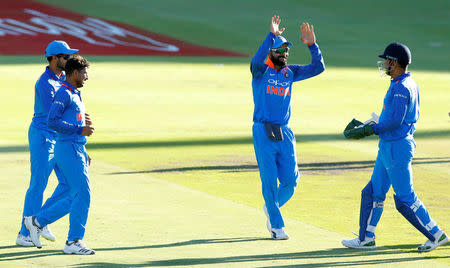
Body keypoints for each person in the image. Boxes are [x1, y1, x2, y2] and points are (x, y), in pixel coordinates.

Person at [342, 43, 448, 252]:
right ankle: (366, 238)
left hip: (397, 147)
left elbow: (396, 121)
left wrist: (371, 129)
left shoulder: (401, 88)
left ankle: (436, 235)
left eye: (387, 61)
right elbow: (391, 118)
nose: (385, 64)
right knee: (373, 192)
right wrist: (373, 125)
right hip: (389, 146)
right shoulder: (404, 82)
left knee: (405, 198)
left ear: (395, 62)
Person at [251, 15, 325, 239]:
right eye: (279, 50)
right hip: (263, 130)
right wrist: (270, 36)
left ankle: (271, 207)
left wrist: (312, 45)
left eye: (286, 50)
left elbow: (318, 68)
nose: (284, 53)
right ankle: (277, 226)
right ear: (270, 52)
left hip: (284, 131)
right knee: (269, 180)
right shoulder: (260, 72)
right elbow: (255, 62)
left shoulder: (289, 72)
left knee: (291, 181)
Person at [24, 54, 96, 255]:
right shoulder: (64, 93)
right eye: (84, 73)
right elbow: (52, 122)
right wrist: (79, 130)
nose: (86, 77)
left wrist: (84, 147)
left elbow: (73, 121)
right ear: (75, 73)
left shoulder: (74, 92)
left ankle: (37, 221)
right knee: (83, 194)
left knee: (76, 195)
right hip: (68, 148)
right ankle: (73, 242)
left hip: (76, 148)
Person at [17, 41, 79, 247]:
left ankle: (40, 220)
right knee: (38, 184)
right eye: (65, 56)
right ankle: (24, 233)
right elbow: (55, 115)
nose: (68, 59)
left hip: (59, 137)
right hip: (43, 137)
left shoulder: (62, 78)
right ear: (54, 58)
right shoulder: (44, 82)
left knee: (69, 183)